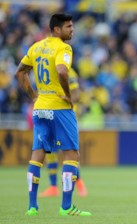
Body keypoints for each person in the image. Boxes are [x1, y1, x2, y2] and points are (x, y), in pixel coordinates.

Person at [15, 13, 91, 216]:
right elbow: (62, 71)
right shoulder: (63, 47)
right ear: (57, 30)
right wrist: (68, 95)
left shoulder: (36, 47)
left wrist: (33, 95)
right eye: (68, 27)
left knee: (37, 155)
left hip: (39, 108)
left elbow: (20, 72)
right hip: (59, 107)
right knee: (71, 154)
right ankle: (66, 207)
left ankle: (32, 206)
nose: (72, 30)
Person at [39, 68, 88, 198]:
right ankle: (53, 186)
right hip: (50, 114)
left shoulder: (68, 71)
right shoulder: (46, 70)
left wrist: (64, 100)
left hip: (65, 114)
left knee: (70, 151)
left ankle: (79, 182)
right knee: (50, 151)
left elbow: (76, 94)